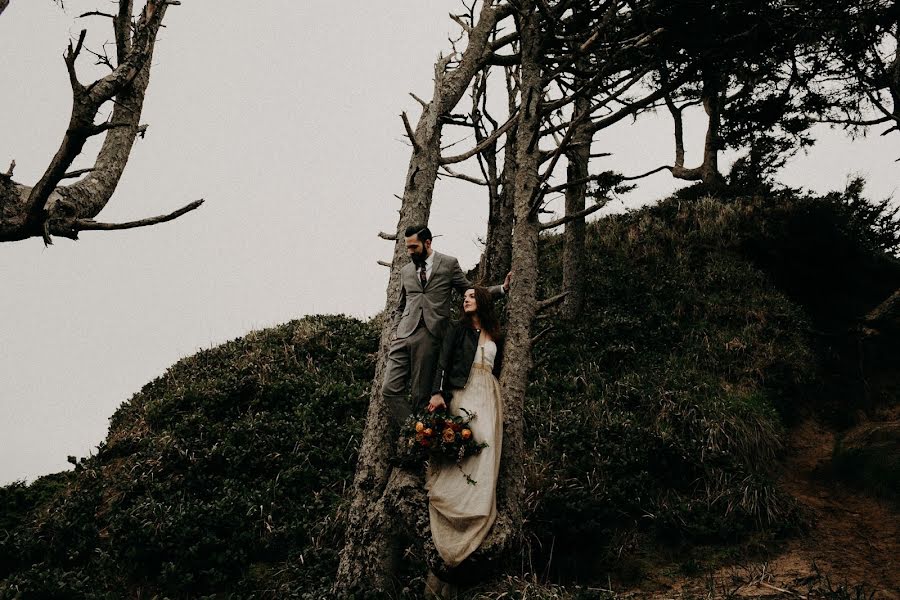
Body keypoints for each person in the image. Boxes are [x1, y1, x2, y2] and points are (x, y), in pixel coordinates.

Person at [382, 225, 509, 426]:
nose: (410, 251)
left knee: (420, 394)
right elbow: (400, 305)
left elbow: (469, 290)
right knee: (389, 389)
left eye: (413, 247)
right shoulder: (406, 270)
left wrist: (501, 289)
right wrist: (395, 332)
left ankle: (423, 436)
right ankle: (415, 429)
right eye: (408, 247)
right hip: (403, 334)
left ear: (428, 243)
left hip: (430, 333)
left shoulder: (448, 264)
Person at [425, 286, 504, 569]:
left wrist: (504, 288)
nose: (466, 300)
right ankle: (455, 506)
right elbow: (442, 362)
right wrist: (437, 392)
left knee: (485, 449)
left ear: (482, 301)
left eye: (471, 296)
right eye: (464, 297)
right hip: (464, 391)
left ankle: (477, 507)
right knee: (466, 446)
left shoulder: (496, 333)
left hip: (489, 394)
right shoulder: (457, 330)